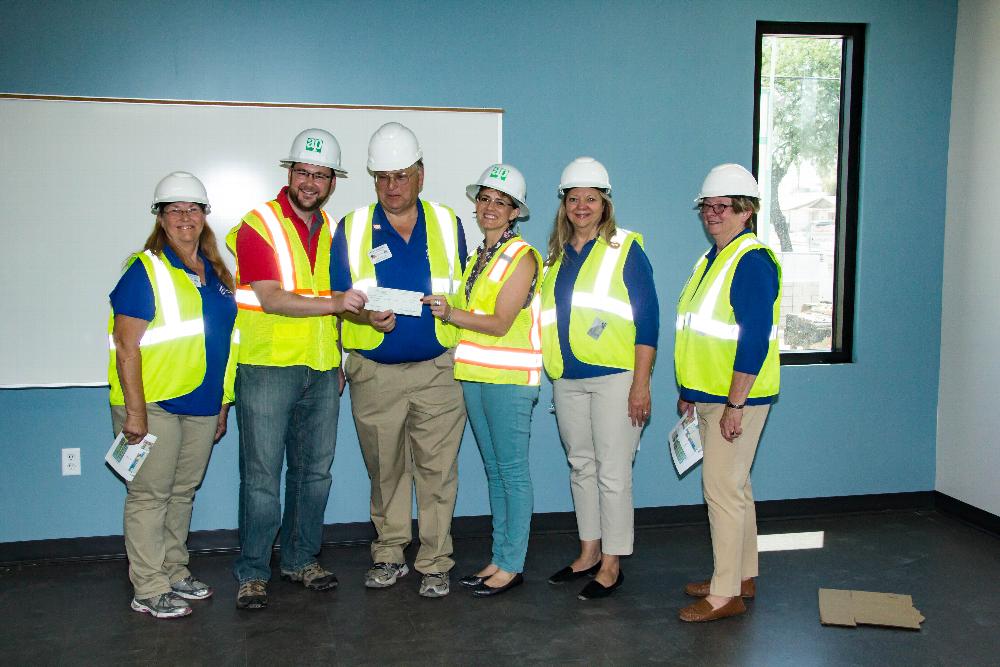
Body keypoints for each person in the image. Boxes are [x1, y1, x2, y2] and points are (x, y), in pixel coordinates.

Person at [227, 129, 366, 610]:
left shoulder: (332, 230)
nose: (311, 182)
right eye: (303, 172)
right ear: (289, 173)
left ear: (332, 181)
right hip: (268, 367)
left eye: (321, 174)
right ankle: (252, 571)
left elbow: (344, 305)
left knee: (315, 474)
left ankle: (301, 559)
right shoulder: (258, 223)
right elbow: (272, 298)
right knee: (262, 477)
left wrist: (343, 351)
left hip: (323, 366)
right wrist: (336, 303)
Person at [332, 122, 468, 598]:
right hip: (375, 372)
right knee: (385, 469)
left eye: (402, 175)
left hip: (438, 371)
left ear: (421, 175)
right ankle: (389, 554)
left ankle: (435, 561)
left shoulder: (450, 225)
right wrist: (367, 317)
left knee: (437, 469)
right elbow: (337, 298)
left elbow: (467, 295)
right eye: (382, 177)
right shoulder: (350, 229)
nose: (392, 187)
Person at [108, 171, 236, 619]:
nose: (185, 217)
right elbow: (127, 346)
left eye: (193, 209)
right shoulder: (145, 269)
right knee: (150, 495)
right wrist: (136, 415)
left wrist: (222, 403)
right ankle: (148, 585)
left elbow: (226, 342)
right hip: (155, 403)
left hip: (202, 403)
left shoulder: (217, 274)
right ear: (160, 218)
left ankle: (174, 570)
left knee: (182, 493)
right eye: (175, 209)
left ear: (204, 216)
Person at [540, 157, 659, 600]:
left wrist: (641, 384)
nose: (582, 206)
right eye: (574, 198)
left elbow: (648, 323)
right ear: (564, 205)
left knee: (613, 473)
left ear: (605, 203)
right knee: (581, 467)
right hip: (567, 378)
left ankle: (612, 563)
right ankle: (588, 552)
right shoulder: (554, 257)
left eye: (591, 198)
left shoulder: (626, 249)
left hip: (616, 378)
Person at [424, 164, 541, 598]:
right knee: (495, 473)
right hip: (474, 376)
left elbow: (499, 322)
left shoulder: (522, 256)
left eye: (500, 202)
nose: (489, 208)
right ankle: (498, 558)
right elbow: (471, 328)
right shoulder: (478, 258)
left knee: (512, 472)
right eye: (485, 199)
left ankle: (512, 563)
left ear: (515, 212)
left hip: (509, 382)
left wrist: (448, 312)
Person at [675, 163, 781, 622]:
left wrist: (735, 403)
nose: (713, 214)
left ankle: (724, 596)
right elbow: (696, 331)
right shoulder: (712, 259)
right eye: (707, 207)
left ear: (747, 213)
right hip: (710, 395)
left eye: (724, 207)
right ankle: (740, 576)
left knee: (720, 488)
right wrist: (689, 392)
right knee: (736, 487)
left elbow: (753, 339)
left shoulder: (751, 261)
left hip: (737, 398)